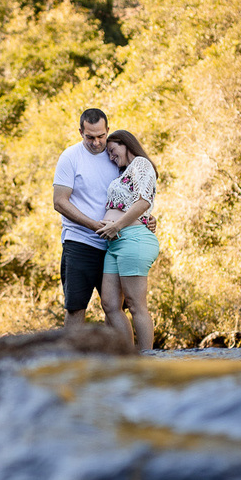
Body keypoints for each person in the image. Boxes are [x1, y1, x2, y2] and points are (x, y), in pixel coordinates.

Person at [52, 109, 155, 334]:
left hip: (116, 242)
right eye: (90, 137)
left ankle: (122, 362)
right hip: (81, 242)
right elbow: (59, 202)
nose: (96, 142)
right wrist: (94, 226)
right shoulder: (70, 157)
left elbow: (134, 196)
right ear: (80, 132)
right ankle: (73, 363)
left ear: (107, 130)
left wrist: (145, 218)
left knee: (114, 307)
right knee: (76, 306)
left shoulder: (116, 156)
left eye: (101, 136)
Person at [95, 129, 159, 351]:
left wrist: (116, 225)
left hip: (133, 239)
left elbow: (143, 202)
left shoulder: (141, 164)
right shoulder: (124, 173)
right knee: (110, 304)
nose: (112, 157)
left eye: (113, 151)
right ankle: (129, 358)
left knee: (135, 304)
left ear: (126, 144)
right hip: (115, 242)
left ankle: (147, 358)